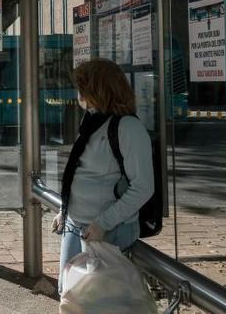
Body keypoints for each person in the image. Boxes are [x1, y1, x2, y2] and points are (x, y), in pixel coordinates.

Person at [52, 59, 154, 294]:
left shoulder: (127, 128)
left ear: (97, 90)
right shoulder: (91, 121)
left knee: (99, 300)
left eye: (83, 88)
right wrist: (65, 210)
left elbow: (143, 187)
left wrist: (103, 224)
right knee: (72, 295)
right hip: (77, 225)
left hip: (107, 230)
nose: (78, 94)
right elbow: (82, 171)